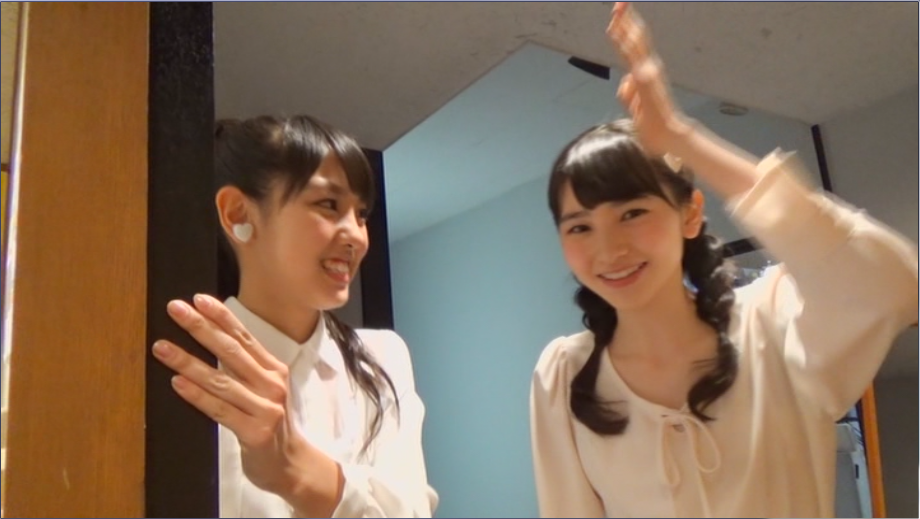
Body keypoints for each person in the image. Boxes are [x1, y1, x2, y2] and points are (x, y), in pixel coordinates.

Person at [530, 3, 918, 517]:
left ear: (690, 214)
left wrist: (680, 136)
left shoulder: (773, 324)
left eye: (633, 213)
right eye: (580, 226)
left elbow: (893, 286)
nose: (609, 249)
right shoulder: (565, 374)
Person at [151, 115, 438, 517]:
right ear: (238, 214)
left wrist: (293, 470)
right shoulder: (190, 364)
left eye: (361, 214)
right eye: (328, 205)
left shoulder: (381, 359)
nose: (356, 236)